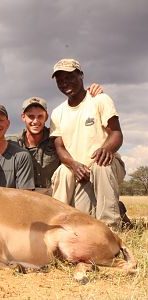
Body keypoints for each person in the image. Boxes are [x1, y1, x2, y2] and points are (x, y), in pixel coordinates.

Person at [0, 85, 102, 195]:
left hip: (56, 193)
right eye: (31, 116)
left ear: (46, 117)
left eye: (40, 116)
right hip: (28, 194)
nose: (35, 121)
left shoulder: (56, 139)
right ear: (23, 117)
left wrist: (88, 96)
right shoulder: (13, 141)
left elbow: (80, 136)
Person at [50, 58, 126, 229]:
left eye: (69, 77)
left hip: (105, 166)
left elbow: (116, 133)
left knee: (101, 164)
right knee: (84, 222)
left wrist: (106, 149)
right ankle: (57, 226)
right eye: (60, 80)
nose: (65, 83)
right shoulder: (57, 112)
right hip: (80, 171)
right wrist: (74, 165)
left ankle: (111, 228)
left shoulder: (100, 99)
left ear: (81, 75)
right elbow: (59, 147)